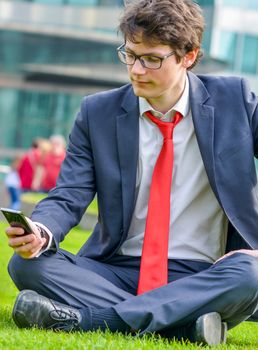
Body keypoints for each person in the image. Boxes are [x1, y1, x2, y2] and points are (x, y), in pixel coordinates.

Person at [5, 0, 258, 346]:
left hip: (204, 271)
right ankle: (183, 324)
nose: (137, 69)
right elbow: (70, 193)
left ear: (189, 56)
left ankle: (89, 319)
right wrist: (42, 231)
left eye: (152, 59)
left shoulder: (236, 100)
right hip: (117, 269)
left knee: (251, 273)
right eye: (130, 54)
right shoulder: (97, 112)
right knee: (27, 266)